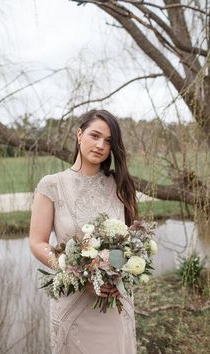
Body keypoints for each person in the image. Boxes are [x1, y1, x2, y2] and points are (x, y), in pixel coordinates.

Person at [29, 109, 138, 354]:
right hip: (74, 303)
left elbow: (132, 244)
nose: (100, 145)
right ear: (79, 135)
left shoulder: (120, 186)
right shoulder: (52, 185)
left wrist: (118, 270)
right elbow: (37, 242)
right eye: (94, 135)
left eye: (108, 141)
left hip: (115, 302)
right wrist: (78, 273)